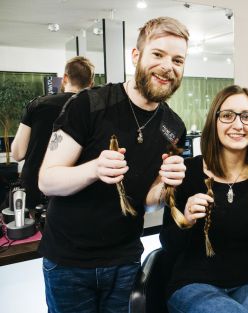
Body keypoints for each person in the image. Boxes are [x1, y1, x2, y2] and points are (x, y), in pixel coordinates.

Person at [37, 17, 189, 313]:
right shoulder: (88, 104)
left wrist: (166, 187)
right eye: (157, 54)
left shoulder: (173, 126)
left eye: (178, 60)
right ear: (136, 56)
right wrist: (94, 169)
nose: (167, 66)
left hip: (125, 260)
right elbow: (47, 180)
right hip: (68, 262)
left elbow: (146, 204)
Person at [160, 85, 248, 313]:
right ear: (214, 121)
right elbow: (168, 243)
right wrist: (187, 220)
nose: (238, 125)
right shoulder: (188, 172)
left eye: (247, 117)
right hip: (194, 282)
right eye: (228, 115)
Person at [11, 56, 95, 210]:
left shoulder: (37, 105)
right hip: (74, 192)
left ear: (64, 78)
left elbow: (17, 153)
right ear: (91, 83)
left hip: (34, 189)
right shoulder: (93, 111)